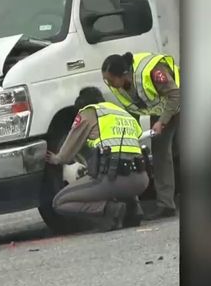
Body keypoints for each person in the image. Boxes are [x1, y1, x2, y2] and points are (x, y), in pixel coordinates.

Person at [45, 87, 149, 230]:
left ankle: (110, 210)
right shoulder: (121, 112)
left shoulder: (88, 111)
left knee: (59, 202)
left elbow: (69, 147)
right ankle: (133, 208)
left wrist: (57, 158)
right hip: (141, 179)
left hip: (112, 178)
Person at [102, 52, 181, 220]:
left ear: (123, 75)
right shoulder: (119, 86)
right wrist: (131, 134)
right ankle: (166, 204)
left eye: (110, 80)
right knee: (161, 155)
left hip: (179, 102)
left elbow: (175, 95)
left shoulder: (152, 71)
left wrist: (162, 121)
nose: (108, 84)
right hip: (161, 110)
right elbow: (133, 109)